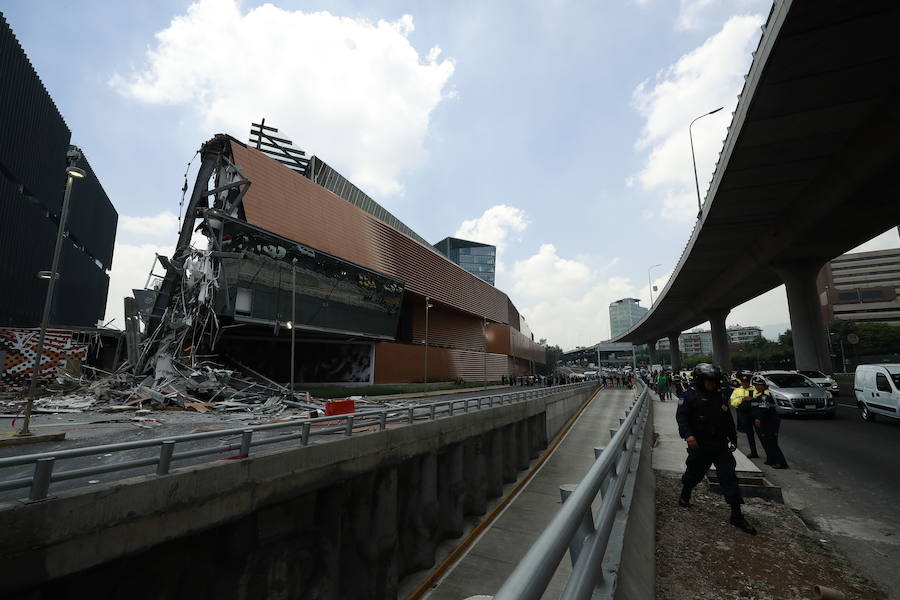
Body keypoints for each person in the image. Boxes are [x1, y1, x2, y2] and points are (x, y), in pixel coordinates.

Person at [676, 363, 757, 535]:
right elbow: (682, 418)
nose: (711, 384)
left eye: (714, 381)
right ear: (700, 381)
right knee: (694, 473)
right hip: (699, 444)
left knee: (729, 477)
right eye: (708, 381)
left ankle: (736, 515)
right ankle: (685, 494)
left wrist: (733, 437)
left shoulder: (719, 397)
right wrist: (688, 436)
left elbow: (727, 418)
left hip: (720, 444)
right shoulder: (689, 396)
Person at [750, 375, 789, 469]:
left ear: (764, 386)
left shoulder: (765, 396)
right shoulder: (760, 395)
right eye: (756, 385)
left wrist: (758, 418)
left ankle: (781, 463)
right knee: (767, 442)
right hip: (766, 422)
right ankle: (771, 460)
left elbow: (764, 410)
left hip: (770, 422)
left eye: (759, 385)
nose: (757, 387)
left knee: (771, 442)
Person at [729, 370, 760, 458]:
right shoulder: (737, 390)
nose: (744, 384)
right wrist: (742, 400)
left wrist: (751, 399)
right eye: (743, 382)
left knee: (761, 434)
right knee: (749, 434)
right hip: (744, 415)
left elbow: (760, 400)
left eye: (746, 382)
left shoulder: (754, 389)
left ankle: (770, 455)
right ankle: (754, 452)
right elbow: (732, 402)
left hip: (755, 414)